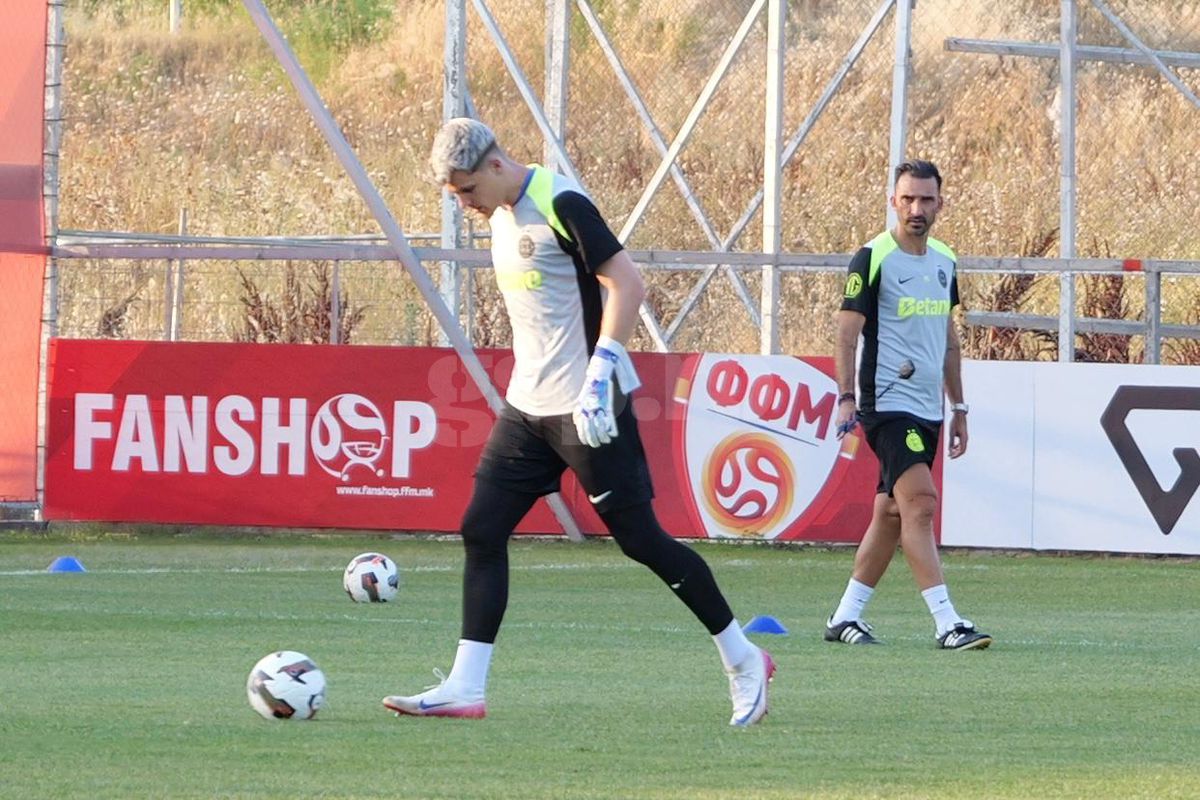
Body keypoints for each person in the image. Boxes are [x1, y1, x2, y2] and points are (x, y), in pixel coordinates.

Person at [382, 118, 774, 725]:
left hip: (588, 408)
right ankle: (465, 686)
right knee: (482, 527)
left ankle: (743, 657)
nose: (464, 205)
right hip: (528, 409)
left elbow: (627, 284)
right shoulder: (500, 215)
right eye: (455, 195)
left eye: (466, 191)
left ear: (495, 164)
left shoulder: (560, 202)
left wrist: (600, 375)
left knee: (641, 541)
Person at [825, 159, 992, 651]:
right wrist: (846, 398)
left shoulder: (944, 260)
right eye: (908, 199)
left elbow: (948, 339)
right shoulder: (872, 258)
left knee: (892, 513)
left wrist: (959, 408)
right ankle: (947, 623)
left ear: (940, 203)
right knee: (920, 504)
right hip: (886, 403)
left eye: (926, 199)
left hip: (930, 408)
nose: (917, 208)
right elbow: (846, 334)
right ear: (893, 202)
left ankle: (845, 616)